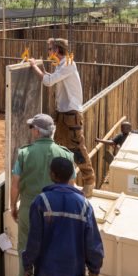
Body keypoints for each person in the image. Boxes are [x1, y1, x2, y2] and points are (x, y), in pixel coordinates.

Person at [10, 113, 76, 276]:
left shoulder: (24, 153)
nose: (31, 131)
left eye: (32, 128)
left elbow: (15, 184)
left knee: (26, 251)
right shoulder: (66, 154)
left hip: (30, 209)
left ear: (38, 131)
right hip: (57, 211)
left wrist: (13, 206)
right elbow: (72, 186)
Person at [29, 38, 94, 196]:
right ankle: (67, 182)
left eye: (50, 49)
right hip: (64, 114)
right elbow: (51, 77)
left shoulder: (68, 63)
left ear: (57, 50)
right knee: (60, 148)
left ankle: (89, 181)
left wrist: (33, 66)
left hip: (71, 114)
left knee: (77, 148)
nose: (49, 52)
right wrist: (42, 69)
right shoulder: (63, 64)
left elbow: (49, 82)